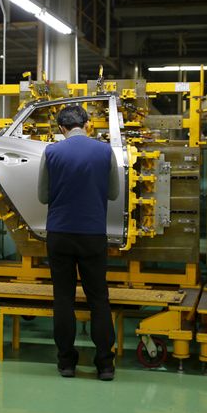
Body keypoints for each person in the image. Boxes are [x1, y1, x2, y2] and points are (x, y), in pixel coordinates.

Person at [37, 103, 120, 381]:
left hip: (59, 234)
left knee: (63, 298)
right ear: (87, 125)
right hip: (92, 234)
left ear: (61, 129)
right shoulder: (105, 151)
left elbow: (42, 197)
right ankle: (105, 364)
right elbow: (113, 193)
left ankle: (66, 363)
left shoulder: (51, 152)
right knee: (98, 298)